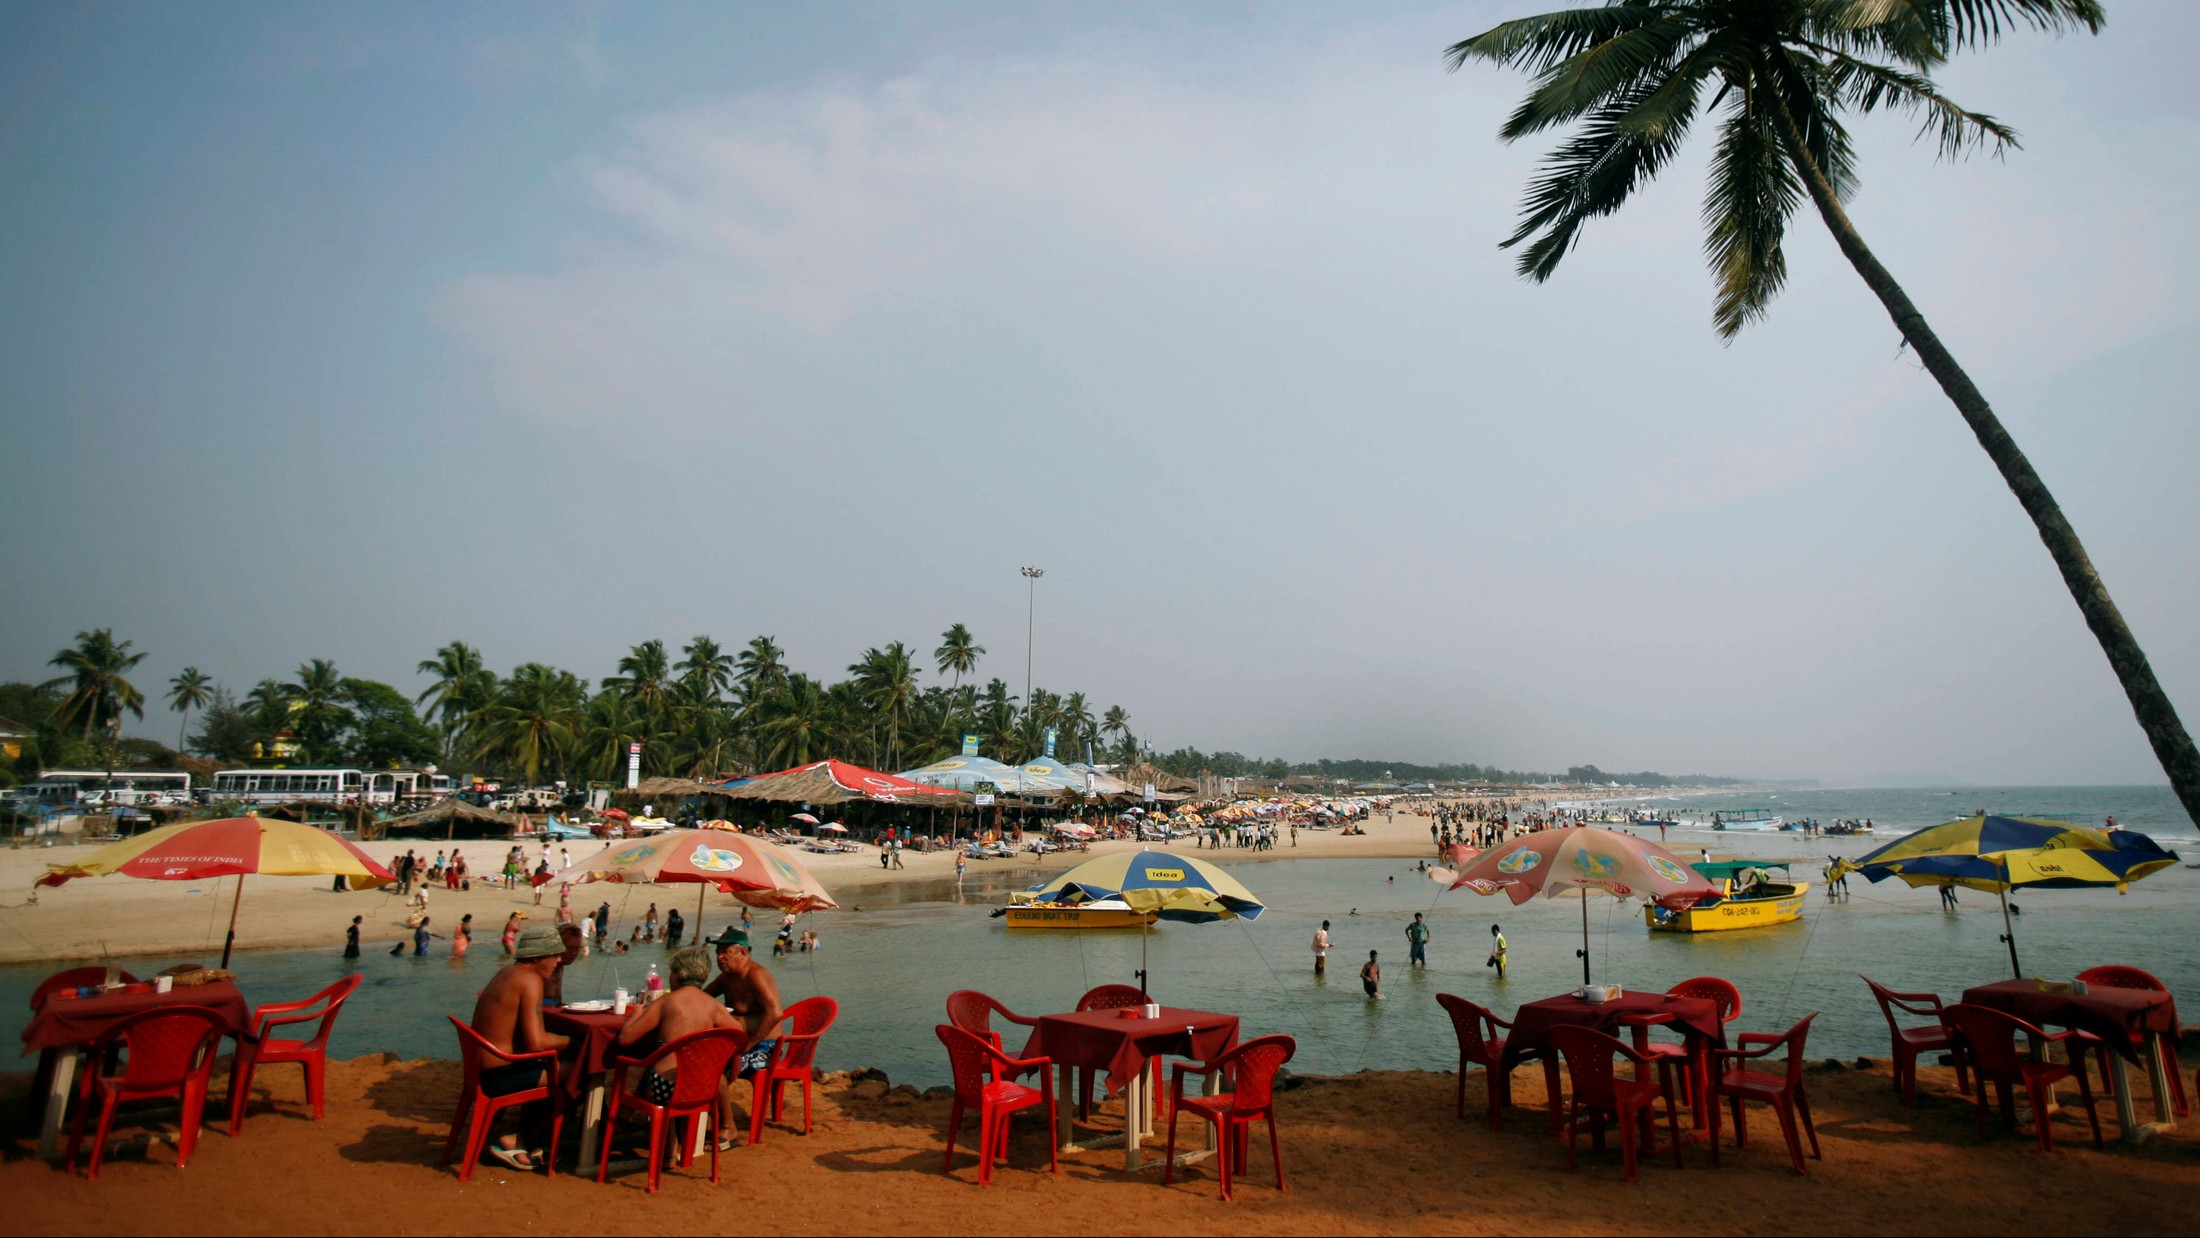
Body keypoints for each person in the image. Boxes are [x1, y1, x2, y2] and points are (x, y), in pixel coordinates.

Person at [468, 926, 572, 1172]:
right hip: (501, 1077)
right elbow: (536, 1042)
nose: (559, 961)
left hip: (484, 1071)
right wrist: (572, 1041)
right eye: (554, 955)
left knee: (558, 1065)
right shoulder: (530, 980)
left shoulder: (507, 972)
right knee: (580, 1070)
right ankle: (525, 1138)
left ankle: (529, 1138)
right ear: (537, 957)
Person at [615, 945, 745, 1140]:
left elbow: (626, 1039)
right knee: (686, 1064)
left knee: (652, 1068)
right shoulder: (714, 1006)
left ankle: (659, 1136)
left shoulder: (666, 1002)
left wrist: (636, 1014)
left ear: (676, 975)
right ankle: (667, 1138)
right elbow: (739, 1036)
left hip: (664, 1090)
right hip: (703, 1087)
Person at [703, 927, 786, 1091]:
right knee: (702, 1062)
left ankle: (721, 1113)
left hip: (764, 1045)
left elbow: (775, 1013)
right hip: (739, 1042)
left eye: (725, 952)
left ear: (742, 952)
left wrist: (750, 1044)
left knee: (721, 1071)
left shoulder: (755, 975)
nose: (720, 957)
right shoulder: (727, 976)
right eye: (717, 952)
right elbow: (703, 997)